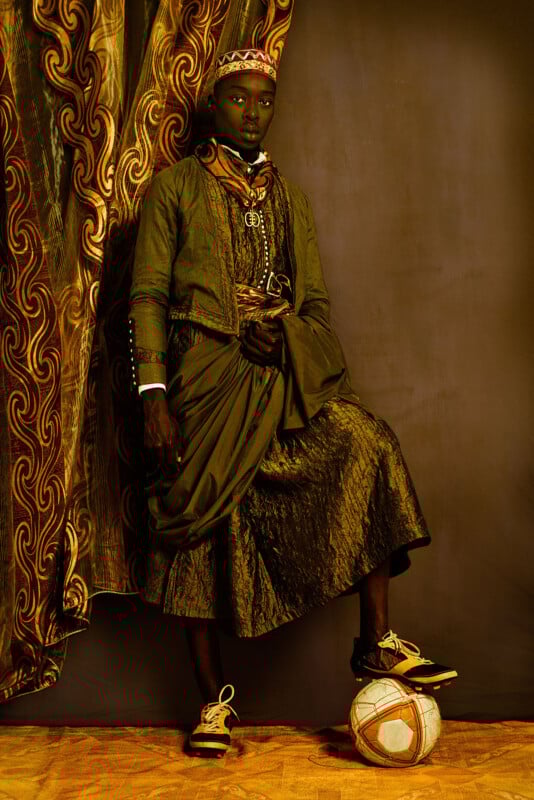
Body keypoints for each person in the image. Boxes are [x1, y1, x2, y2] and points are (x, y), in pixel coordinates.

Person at [128, 48, 457, 758]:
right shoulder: (174, 190)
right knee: (198, 526)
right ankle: (213, 704)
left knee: (364, 442)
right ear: (214, 105)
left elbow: (315, 303)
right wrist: (153, 393)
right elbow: (148, 296)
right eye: (238, 99)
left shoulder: (290, 197)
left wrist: (289, 342)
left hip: (281, 379)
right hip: (203, 384)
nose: (251, 112)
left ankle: (374, 642)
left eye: (263, 101)